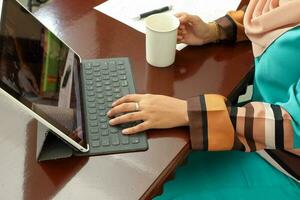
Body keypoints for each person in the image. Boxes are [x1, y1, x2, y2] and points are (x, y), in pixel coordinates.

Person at [108, 0, 300, 198]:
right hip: (253, 125)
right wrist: (216, 31)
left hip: (284, 162)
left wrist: (187, 112)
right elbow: (276, 17)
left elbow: (295, 125)